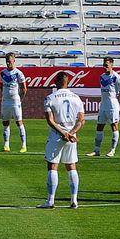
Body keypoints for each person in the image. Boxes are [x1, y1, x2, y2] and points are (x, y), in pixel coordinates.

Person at [40, 71, 84, 209]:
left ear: (56, 82)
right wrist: (70, 133)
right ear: (68, 82)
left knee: (53, 166)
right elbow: (81, 120)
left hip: (56, 135)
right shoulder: (77, 98)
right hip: (71, 136)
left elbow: (50, 120)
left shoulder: (50, 98)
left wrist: (63, 133)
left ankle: (50, 200)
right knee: (71, 166)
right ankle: (74, 200)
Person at [90, 57, 120, 157]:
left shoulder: (116, 77)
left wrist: (118, 104)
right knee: (99, 126)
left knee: (114, 125)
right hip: (103, 104)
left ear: (111, 65)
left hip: (112, 104)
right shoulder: (102, 76)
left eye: (106, 65)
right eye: (104, 65)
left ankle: (112, 150)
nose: (104, 67)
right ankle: (96, 150)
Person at [0, 52, 27, 153]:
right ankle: (6, 145)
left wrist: (20, 99)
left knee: (19, 122)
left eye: (10, 61)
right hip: (5, 101)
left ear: (14, 61)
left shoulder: (18, 73)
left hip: (15, 101)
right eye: (7, 62)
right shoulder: (2, 73)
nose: (8, 64)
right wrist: (3, 96)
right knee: (5, 123)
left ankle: (23, 145)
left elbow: (24, 89)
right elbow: (1, 86)